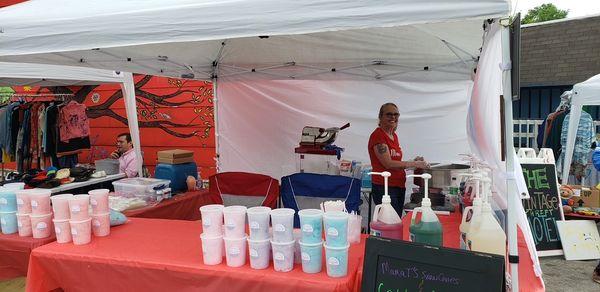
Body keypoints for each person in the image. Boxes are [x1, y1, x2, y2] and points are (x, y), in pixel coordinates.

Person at [368, 103, 430, 216]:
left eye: (396, 114)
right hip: (385, 187)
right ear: (380, 117)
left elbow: (396, 161)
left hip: (398, 186)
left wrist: (414, 162)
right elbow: (388, 163)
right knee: (390, 223)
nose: (393, 117)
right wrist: (413, 163)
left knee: (396, 221)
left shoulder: (394, 136)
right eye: (389, 114)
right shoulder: (378, 136)